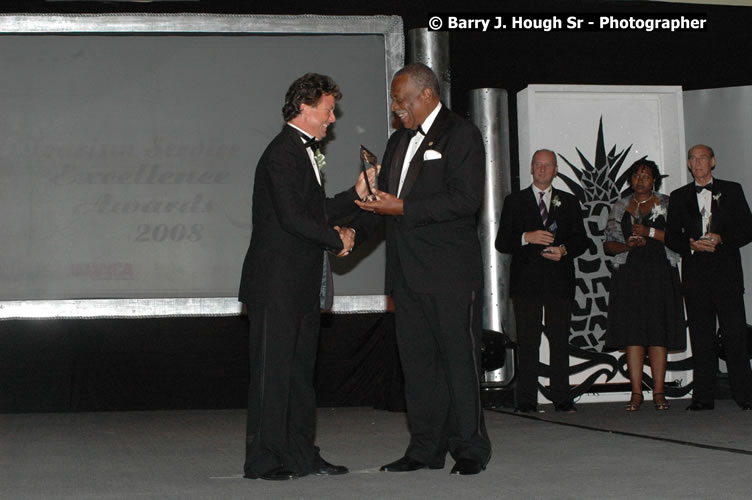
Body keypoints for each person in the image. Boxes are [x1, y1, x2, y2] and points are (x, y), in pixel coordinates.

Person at [352, 63, 491, 475]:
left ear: (427, 95)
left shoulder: (462, 134)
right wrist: (351, 234)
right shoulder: (397, 141)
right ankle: (425, 448)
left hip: (448, 273)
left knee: (458, 363)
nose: (396, 109)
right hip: (406, 274)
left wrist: (404, 207)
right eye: (395, 102)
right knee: (417, 366)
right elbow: (385, 205)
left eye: (401, 100)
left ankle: (469, 449)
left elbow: (466, 201)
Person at [238, 73, 375, 480]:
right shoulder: (282, 153)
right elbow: (294, 219)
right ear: (305, 107)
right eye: (328, 109)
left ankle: (300, 455)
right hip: (276, 285)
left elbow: (315, 211)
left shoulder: (305, 153)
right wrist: (339, 239)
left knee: (299, 377)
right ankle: (262, 461)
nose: (333, 118)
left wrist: (355, 195)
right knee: (273, 376)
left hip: (301, 283)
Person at [496, 149, 589, 413]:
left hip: (560, 282)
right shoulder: (515, 201)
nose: (542, 169)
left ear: (556, 170)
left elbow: (582, 240)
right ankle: (526, 399)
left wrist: (564, 251)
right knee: (528, 341)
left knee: (560, 341)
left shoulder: (569, 202)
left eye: (548, 165)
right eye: (538, 164)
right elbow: (501, 242)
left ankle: (561, 397)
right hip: (526, 283)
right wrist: (527, 237)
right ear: (531, 167)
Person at [665, 144, 752, 411]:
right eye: (693, 159)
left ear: (713, 162)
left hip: (727, 276)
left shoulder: (732, 189)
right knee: (701, 338)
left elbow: (747, 229)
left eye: (703, 158)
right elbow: (671, 237)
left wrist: (722, 239)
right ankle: (703, 397)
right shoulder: (679, 196)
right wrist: (691, 244)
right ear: (689, 165)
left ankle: (746, 396)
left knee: (735, 337)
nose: (698, 163)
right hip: (695, 277)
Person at [603, 159, 686, 411]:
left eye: (646, 176)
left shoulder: (668, 203)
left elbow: (679, 239)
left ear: (654, 180)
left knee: (658, 333)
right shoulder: (619, 205)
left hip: (660, 272)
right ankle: (636, 393)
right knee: (634, 333)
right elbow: (608, 244)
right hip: (629, 274)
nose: (641, 180)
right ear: (630, 180)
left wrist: (650, 233)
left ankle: (659, 392)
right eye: (637, 175)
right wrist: (628, 245)